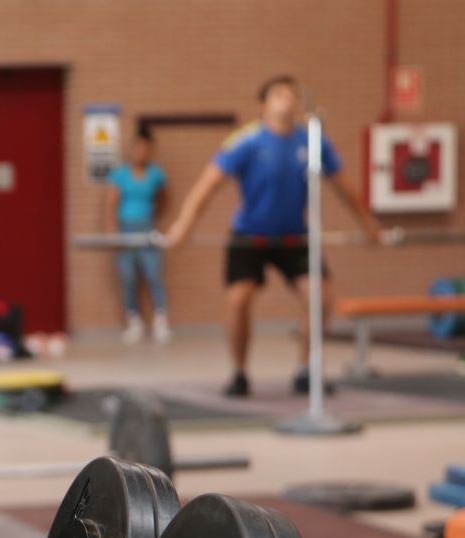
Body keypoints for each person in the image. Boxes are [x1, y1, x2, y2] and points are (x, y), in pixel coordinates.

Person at [165, 75, 383, 397]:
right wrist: (182, 227)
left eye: (292, 95)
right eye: (280, 94)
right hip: (249, 236)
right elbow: (206, 187)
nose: (288, 100)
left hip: (294, 237)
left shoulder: (312, 141)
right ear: (262, 104)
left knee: (319, 298)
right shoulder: (246, 142)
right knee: (239, 300)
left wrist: (369, 226)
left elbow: (345, 187)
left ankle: (305, 371)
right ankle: (239, 373)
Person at [106, 129, 170, 344]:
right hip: (125, 229)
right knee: (128, 277)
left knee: (153, 274)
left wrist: (154, 216)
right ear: (132, 150)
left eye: (145, 149)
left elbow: (164, 199)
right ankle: (134, 322)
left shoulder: (156, 174)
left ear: (150, 151)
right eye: (137, 148)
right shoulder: (120, 175)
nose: (141, 152)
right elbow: (112, 204)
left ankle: (160, 320)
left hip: (147, 227)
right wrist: (114, 232)